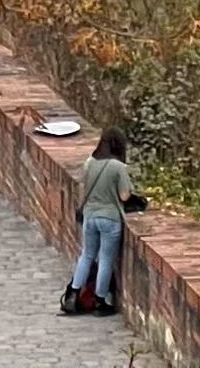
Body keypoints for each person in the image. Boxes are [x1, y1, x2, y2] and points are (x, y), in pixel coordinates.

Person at [67, 131, 134, 317]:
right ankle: (100, 300)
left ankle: (73, 295)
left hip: (90, 215)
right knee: (105, 259)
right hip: (109, 217)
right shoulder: (118, 166)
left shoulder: (89, 162)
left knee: (86, 255)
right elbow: (124, 195)